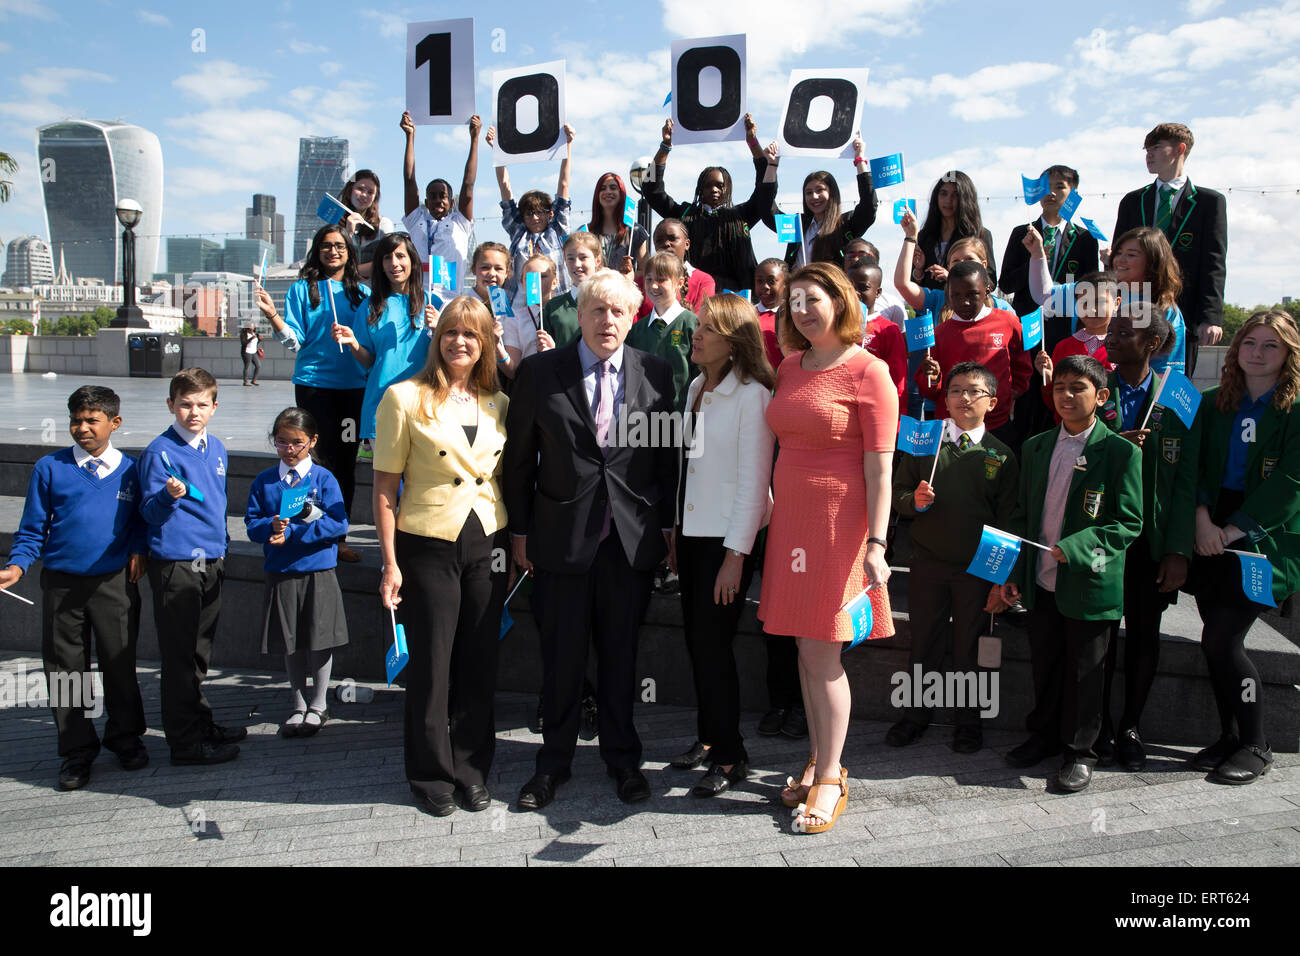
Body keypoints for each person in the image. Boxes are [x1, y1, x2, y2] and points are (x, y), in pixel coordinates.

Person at [503, 269, 679, 810]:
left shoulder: (655, 371)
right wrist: (520, 531)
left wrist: (668, 529)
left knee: (621, 657)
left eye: (619, 312)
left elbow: (667, 458)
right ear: (578, 316)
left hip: (628, 541)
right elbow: (517, 461)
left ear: (633, 318)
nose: (608, 321)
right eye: (598, 310)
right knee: (561, 658)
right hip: (560, 538)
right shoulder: (538, 372)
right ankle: (551, 764)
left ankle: (623, 760)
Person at [759, 262, 898, 834]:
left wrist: (877, 542)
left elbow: (881, 471)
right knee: (804, 650)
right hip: (791, 525)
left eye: (811, 299)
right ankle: (820, 758)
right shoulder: (789, 367)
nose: (800, 310)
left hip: (840, 529)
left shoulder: (870, 371)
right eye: (793, 301)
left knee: (823, 653)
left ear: (840, 302)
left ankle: (832, 777)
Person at [373, 296, 510, 815]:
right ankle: (429, 774)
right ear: (438, 338)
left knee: (480, 660)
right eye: (451, 332)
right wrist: (389, 561)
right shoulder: (403, 398)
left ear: (485, 343)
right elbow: (385, 486)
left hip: (488, 541)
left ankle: (471, 769)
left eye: (472, 335)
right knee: (432, 664)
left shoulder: (498, 402)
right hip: (427, 541)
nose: (460, 342)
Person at [1000, 355, 1143, 794]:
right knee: (1046, 664)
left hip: (1089, 582)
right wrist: (1016, 572)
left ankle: (1081, 752)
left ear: (1100, 396)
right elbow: (1024, 515)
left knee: (1086, 671)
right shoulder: (1036, 446)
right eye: (1059, 386)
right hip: (1042, 580)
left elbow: (1128, 522)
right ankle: (1042, 735)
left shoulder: (1121, 452)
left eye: (1077, 387)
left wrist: (1077, 548)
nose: (1065, 395)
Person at [0, 386, 148, 790]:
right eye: (76, 420)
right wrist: (17, 565)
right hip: (62, 586)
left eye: (91, 420)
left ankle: (126, 737)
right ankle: (77, 751)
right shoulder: (50, 468)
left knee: (119, 663)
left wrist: (137, 549)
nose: (82, 428)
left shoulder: (132, 470)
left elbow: (141, 521)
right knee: (68, 671)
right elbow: (32, 528)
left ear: (114, 424)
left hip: (114, 583)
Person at [1185, 310, 1300, 784]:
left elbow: (1291, 484)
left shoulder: (1294, 410)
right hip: (1210, 524)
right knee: (1214, 639)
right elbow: (1195, 466)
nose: (1257, 353)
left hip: (1262, 536)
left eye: (1270, 346)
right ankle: (1229, 736)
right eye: (1250, 343)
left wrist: (1233, 531)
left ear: (1289, 355)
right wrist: (1202, 520)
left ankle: (1256, 742)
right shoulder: (1214, 403)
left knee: (1223, 639)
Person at [670, 293, 775, 796]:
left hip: (728, 543)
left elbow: (755, 484)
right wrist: (675, 532)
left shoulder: (754, 394)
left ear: (733, 343)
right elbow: (688, 471)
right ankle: (710, 740)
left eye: (709, 329)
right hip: (693, 537)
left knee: (713, 649)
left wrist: (735, 558)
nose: (698, 333)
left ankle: (732, 756)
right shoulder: (695, 386)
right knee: (697, 645)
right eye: (699, 326)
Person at [889, 362, 1018, 753]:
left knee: (970, 647)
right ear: (944, 398)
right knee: (923, 642)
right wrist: (915, 501)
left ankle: (968, 722)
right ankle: (915, 715)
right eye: (955, 390)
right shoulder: (925, 443)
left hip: (976, 571)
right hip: (928, 563)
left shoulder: (1002, 456)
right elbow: (896, 495)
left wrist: (999, 579)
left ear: (992, 402)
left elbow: (1009, 521)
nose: (964, 397)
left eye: (974, 391)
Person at [1097, 309, 1198, 770]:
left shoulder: (1180, 394)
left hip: (1151, 540)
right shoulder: (1096, 386)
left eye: (1124, 333)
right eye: (1112, 331)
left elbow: (1188, 482)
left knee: (1143, 634)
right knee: (1100, 635)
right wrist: (1115, 442)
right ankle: (1095, 724)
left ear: (1153, 345)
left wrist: (1177, 549)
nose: (1112, 338)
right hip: (1102, 534)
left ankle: (1131, 725)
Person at [138, 368, 245, 765]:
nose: (193, 412)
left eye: (202, 405)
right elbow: (148, 513)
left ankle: (200, 724)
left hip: (211, 559)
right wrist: (167, 497)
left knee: (200, 652)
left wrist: (223, 546)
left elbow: (217, 503)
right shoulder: (158, 452)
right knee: (180, 656)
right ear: (171, 405)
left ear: (214, 407)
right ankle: (184, 743)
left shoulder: (215, 447)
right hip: (177, 564)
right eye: (185, 404)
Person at [254, 224, 369, 563]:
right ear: (317, 251)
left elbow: (366, 342)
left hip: (352, 388)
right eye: (326, 246)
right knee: (309, 460)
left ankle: (338, 536)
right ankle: (299, 531)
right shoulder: (302, 290)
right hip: (313, 385)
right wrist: (273, 315)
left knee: (344, 464)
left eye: (339, 245)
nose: (333, 251)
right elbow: (295, 340)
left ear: (349, 251)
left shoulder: (361, 294)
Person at [245, 407, 350, 738]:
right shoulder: (265, 481)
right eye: (281, 442)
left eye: (297, 443)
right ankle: (297, 702)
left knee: (320, 637)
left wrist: (293, 533)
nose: (289, 450)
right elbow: (251, 522)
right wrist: (270, 526)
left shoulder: (323, 478)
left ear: (312, 441)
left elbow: (338, 522)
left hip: (318, 569)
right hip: (281, 569)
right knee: (289, 639)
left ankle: (319, 703)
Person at [1113, 122, 1226, 376]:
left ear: (1180, 149)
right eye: (1146, 150)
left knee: (1172, 386)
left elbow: (1214, 262)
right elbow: (1117, 257)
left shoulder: (1209, 202)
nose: (1148, 155)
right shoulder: (1133, 201)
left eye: (1156, 147)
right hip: (1133, 310)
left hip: (1183, 311)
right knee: (1128, 380)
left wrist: (1210, 317)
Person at [642, 117, 779, 292]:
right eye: (708, 186)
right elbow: (651, 190)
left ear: (728, 188)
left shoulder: (741, 215)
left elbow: (764, 191)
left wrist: (753, 143)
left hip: (735, 298)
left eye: (720, 186)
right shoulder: (685, 216)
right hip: (694, 294)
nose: (714, 190)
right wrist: (664, 147)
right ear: (700, 189)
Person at [1031, 226, 1187, 375]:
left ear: (1153, 261)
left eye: (1131, 255)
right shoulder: (1091, 287)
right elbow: (1043, 295)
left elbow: (1169, 373)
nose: (1120, 260)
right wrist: (1037, 252)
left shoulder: (1166, 309)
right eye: (1118, 253)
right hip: (1084, 396)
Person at [332, 233, 439, 445]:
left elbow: (445, 357)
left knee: (422, 478)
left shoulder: (432, 302)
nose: (394, 263)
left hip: (423, 406)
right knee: (385, 478)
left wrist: (438, 329)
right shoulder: (370, 306)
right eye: (387, 257)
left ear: (412, 261)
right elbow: (369, 361)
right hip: (381, 404)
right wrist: (353, 343)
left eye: (400, 256)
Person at [916, 261, 1032, 443]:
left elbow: (1022, 364)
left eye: (972, 294)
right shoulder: (938, 334)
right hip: (953, 429)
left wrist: (1010, 393)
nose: (964, 302)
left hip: (996, 424)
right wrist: (933, 377)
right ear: (948, 295)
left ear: (986, 291)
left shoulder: (1008, 322)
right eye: (956, 295)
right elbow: (929, 391)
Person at [487, 122, 574, 314]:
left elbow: (564, 185)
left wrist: (568, 144)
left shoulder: (557, 231)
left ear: (550, 214)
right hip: (519, 307)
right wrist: (496, 150)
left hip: (554, 305)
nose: (535, 218)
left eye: (541, 212)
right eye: (529, 213)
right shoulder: (519, 233)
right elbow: (505, 187)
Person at [1000, 165, 1099, 317]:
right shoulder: (1022, 233)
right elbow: (1006, 285)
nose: (1051, 193)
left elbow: (1090, 288)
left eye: (1059, 187)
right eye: (1045, 186)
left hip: (1067, 322)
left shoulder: (1084, 238)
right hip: (1028, 322)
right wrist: (1035, 261)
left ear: (1073, 193)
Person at [766, 135, 879, 269]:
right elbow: (767, 212)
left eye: (820, 190)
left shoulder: (846, 224)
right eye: (808, 192)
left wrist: (859, 159)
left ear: (832, 193)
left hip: (831, 288)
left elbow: (869, 206)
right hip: (798, 289)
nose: (814, 196)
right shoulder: (797, 225)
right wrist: (772, 165)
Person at [400, 110, 482, 288]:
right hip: (419, 300)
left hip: (449, 303)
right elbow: (409, 181)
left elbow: (468, 184)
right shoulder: (416, 220)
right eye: (433, 196)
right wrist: (410, 137)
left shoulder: (460, 222)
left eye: (443, 196)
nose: (438, 200)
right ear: (426, 202)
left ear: (452, 203)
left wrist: (474, 139)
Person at [1034, 271, 1119, 421]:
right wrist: (1047, 378)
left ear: (1117, 303)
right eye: (1084, 303)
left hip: (1111, 431)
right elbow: (1053, 404)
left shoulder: (1123, 347)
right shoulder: (1064, 347)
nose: (1091, 310)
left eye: (1099, 302)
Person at [626, 251, 698, 412]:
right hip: (641, 421)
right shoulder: (637, 329)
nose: (653, 285)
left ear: (679, 283)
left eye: (661, 280)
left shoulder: (692, 325)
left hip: (681, 419)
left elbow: (700, 376)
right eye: (649, 279)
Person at [913, 171, 997, 290]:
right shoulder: (924, 236)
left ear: (965, 199)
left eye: (955, 195)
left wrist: (952, 277)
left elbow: (991, 281)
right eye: (943, 193)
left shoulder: (980, 234)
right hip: (930, 305)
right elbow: (912, 284)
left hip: (964, 306)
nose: (948, 200)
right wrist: (918, 270)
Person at [635, 218, 716, 319]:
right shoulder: (643, 282)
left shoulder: (703, 281)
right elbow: (634, 324)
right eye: (659, 240)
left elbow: (701, 322)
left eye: (672, 238)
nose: (666, 244)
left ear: (687, 244)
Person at [850, 262, 906, 403]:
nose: (856, 293)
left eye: (863, 288)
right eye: (850, 288)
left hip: (877, 403)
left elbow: (897, 378)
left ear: (878, 292)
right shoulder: (836, 326)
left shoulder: (889, 329)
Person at [542, 231, 603, 349]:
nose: (577, 264)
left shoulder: (609, 301)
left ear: (597, 260)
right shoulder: (553, 307)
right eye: (570, 259)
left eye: (583, 257)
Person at [503, 254, 559, 369]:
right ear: (522, 283)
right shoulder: (514, 318)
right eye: (530, 277)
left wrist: (554, 351)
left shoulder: (563, 313)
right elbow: (514, 368)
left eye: (542, 276)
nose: (536, 281)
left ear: (554, 282)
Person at [589, 171, 650, 274]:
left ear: (621, 193)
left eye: (613, 188)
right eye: (602, 189)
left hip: (624, 288)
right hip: (595, 288)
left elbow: (646, 270)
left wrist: (628, 275)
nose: (608, 192)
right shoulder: (588, 232)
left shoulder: (635, 231)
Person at [339, 169, 394, 280]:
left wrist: (349, 270)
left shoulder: (383, 224)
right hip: (342, 291)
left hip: (373, 293)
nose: (364, 195)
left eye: (370, 192)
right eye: (360, 189)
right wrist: (348, 233)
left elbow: (388, 263)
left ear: (375, 197)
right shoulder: (336, 223)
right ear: (350, 190)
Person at [753, 257, 789, 371]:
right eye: (760, 281)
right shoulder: (747, 314)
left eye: (771, 281)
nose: (765, 286)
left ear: (785, 284)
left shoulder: (792, 316)